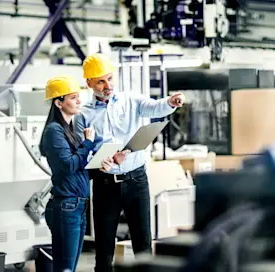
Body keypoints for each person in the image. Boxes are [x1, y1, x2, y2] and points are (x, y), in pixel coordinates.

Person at [74, 53, 185, 272]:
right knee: (104, 250)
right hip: (106, 185)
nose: (108, 85)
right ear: (89, 83)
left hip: (137, 181)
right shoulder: (83, 116)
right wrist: (98, 164)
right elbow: (82, 154)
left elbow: (154, 107)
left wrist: (170, 102)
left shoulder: (130, 100)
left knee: (143, 245)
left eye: (110, 79)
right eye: (101, 81)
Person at [39, 75, 114, 272]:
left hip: (77, 205)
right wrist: (88, 142)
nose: (79, 101)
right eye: (73, 97)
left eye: (78, 97)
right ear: (59, 102)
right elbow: (69, 165)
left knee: (69, 267)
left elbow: (79, 171)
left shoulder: (70, 129)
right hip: (66, 206)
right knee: (66, 268)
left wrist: (100, 167)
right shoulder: (54, 131)